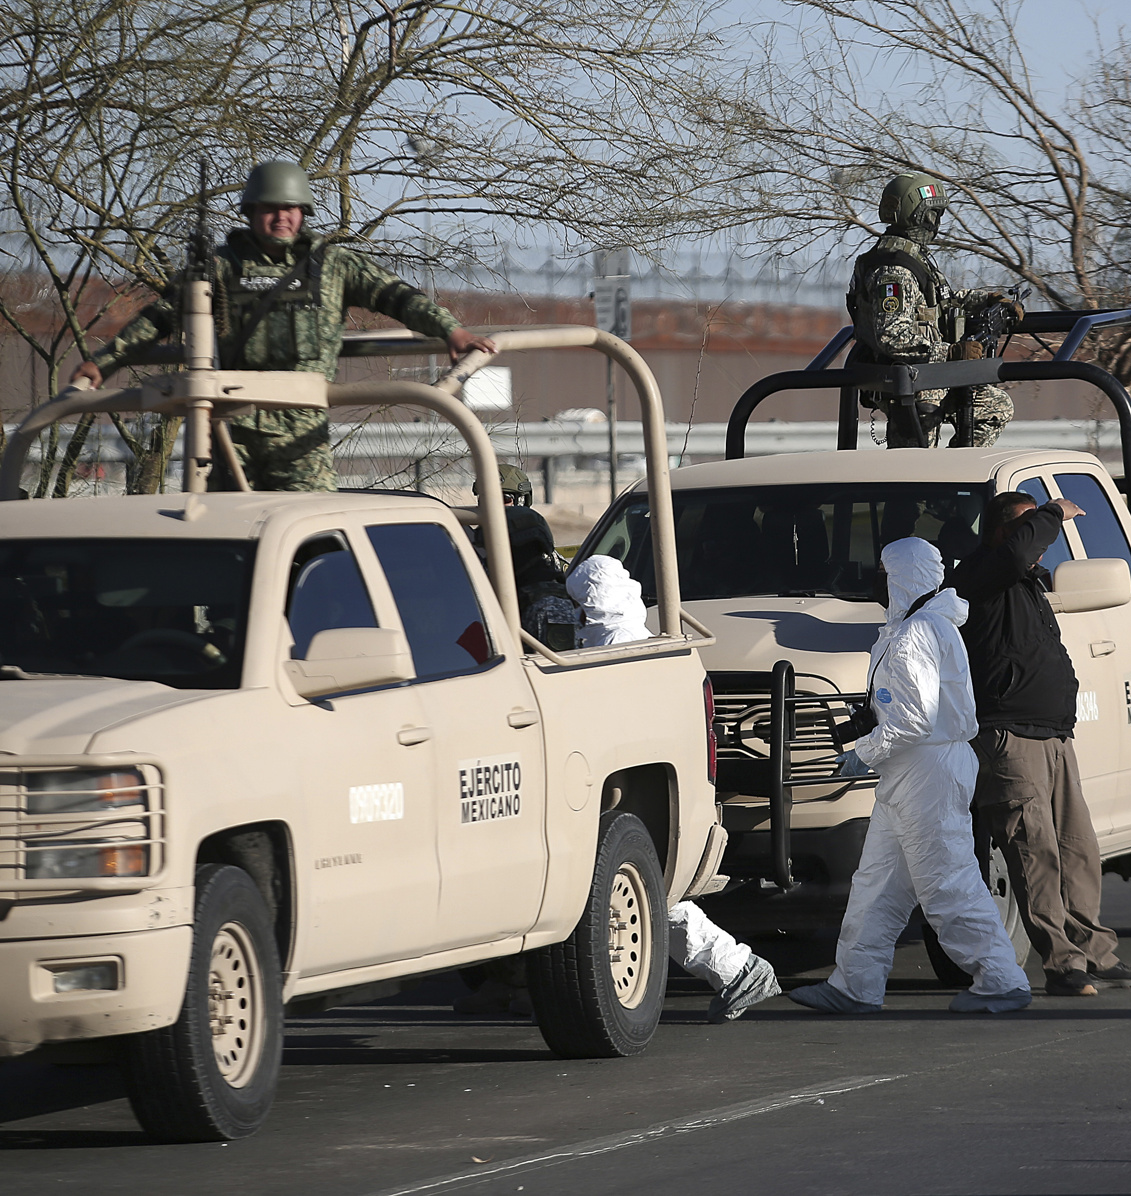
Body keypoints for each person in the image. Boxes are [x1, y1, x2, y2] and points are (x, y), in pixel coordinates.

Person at [71, 160, 497, 491]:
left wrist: (451, 331)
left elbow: (398, 297)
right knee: (230, 541)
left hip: (301, 427)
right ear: (252, 212)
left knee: (312, 535)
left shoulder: (331, 266)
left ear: (303, 212)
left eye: (290, 208)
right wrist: (101, 364)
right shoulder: (219, 269)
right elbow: (157, 318)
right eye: (271, 209)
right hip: (230, 426)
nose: (281, 218)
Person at [786, 537, 1032, 1015]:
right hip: (912, 772)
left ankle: (1001, 978)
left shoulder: (918, 631)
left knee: (947, 881)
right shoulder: (920, 627)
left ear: (901, 575)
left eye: (883, 570)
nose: (878, 580)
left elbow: (915, 718)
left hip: (927, 771)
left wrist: (865, 751)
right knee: (876, 883)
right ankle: (855, 985)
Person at [953, 492, 1131, 996]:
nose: (1042, 542)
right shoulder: (980, 574)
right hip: (1009, 738)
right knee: (1034, 851)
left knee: (1078, 850)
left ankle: (1094, 953)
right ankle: (1063, 965)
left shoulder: (1023, 582)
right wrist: (1050, 513)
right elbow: (1017, 553)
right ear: (1002, 531)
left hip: (1053, 737)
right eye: (1030, 528)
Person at [570, 554, 783, 1022]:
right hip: (641, 790)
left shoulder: (613, 646)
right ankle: (738, 970)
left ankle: (739, 970)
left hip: (625, 791)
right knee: (649, 893)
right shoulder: (639, 637)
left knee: (641, 893)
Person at [846, 172, 1018, 449]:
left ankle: (958, 476)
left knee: (995, 407)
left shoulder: (912, 258)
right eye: (934, 213)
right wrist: (950, 352)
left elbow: (941, 300)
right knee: (914, 473)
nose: (936, 222)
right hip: (909, 382)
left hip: (931, 376)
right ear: (920, 216)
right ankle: (936, 486)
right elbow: (892, 336)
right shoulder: (894, 269)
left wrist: (988, 300)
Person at [480, 465, 576, 650]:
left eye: (503, 499)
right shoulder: (473, 546)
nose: (495, 507)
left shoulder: (548, 578)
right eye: (487, 499)